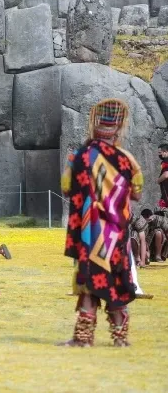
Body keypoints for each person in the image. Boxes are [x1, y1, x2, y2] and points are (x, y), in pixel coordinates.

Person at [60, 98, 143, 347]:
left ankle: (83, 338)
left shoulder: (79, 156)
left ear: (95, 125)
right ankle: (121, 338)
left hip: (90, 232)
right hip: (117, 233)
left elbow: (66, 188)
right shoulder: (128, 160)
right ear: (118, 128)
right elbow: (137, 192)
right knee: (115, 282)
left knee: (89, 281)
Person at [158, 143, 168, 207]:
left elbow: (166, 174)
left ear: (165, 151)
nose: (159, 154)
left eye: (160, 152)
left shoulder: (166, 161)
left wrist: (158, 180)